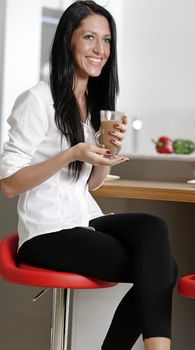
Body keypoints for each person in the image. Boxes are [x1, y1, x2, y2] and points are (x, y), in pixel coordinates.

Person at [0, 1, 178, 349]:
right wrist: (71, 153)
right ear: (69, 40)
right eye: (90, 38)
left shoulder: (93, 106)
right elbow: (8, 184)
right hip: (47, 231)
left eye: (107, 40)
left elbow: (91, 183)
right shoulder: (38, 100)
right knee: (161, 269)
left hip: (81, 218)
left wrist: (105, 153)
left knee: (155, 232)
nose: (100, 50)